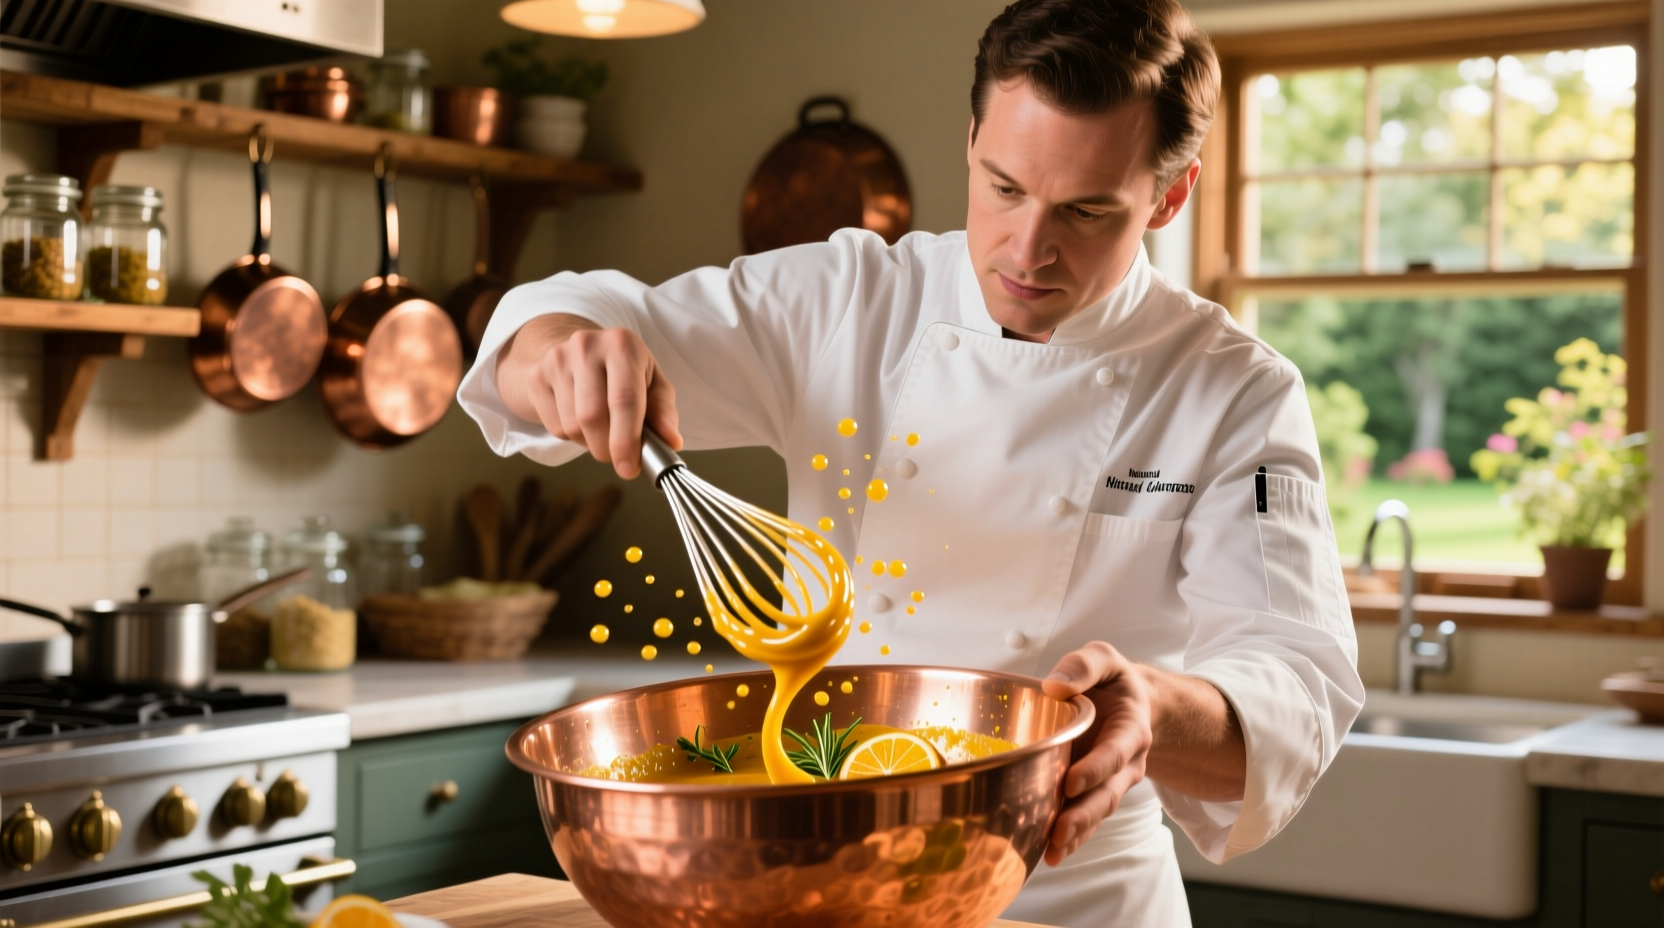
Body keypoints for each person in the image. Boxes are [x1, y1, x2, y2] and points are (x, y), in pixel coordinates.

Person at [460, 0, 1364, 923]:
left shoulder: (1233, 389)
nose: (1027, 250)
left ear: (1170, 197)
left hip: (1077, 895)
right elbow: (571, 316)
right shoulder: (852, 300)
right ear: (971, 142)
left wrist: (1156, 711)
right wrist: (560, 351)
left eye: (1086, 211)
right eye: (1003, 187)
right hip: (833, 877)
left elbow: (1297, 683)